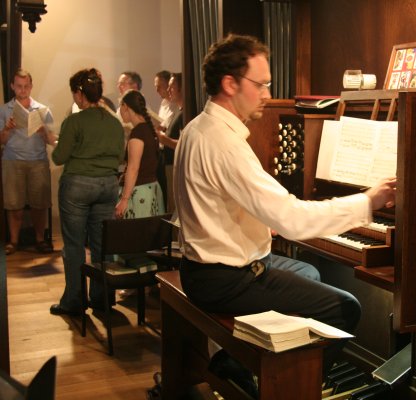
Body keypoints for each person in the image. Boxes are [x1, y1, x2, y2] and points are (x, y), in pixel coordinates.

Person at [173, 33, 396, 392]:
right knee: (345, 308)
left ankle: (276, 363)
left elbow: (213, 203)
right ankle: (287, 384)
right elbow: (292, 220)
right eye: (260, 84)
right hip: (224, 281)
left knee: (308, 270)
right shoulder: (224, 143)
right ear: (230, 84)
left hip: (199, 270)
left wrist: (261, 220)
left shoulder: (196, 128)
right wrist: (368, 201)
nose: (267, 94)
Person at [50, 68, 125, 315]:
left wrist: (61, 144)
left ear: (80, 95)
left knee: (74, 245)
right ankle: (102, 298)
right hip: (108, 185)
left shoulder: (74, 121)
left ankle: (74, 301)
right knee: (102, 245)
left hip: (78, 186)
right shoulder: (114, 121)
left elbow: (59, 157)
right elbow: (119, 155)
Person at [0, 69, 56, 255]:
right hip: (12, 161)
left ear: (31, 86)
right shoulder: (4, 110)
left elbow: (52, 140)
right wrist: (7, 129)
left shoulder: (42, 110)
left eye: (26, 86)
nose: (23, 90)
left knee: (39, 204)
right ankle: (13, 241)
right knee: (13, 204)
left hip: (37, 161)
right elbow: (1, 140)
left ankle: (40, 239)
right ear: (12, 87)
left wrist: (43, 131)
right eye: (19, 86)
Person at [115, 89, 164, 219]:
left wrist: (124, 199)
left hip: (140, 193)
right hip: (151, 189)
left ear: (125, 107)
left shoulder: (138, 133)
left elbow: (133, 167)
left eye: (120, 107)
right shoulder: (149, 130)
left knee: (136, 235)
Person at [156, 72, 183, 212]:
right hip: (168, 163)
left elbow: (184, 144)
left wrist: (163, 139)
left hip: (175, 164)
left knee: (174, 206)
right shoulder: (178, 111)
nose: (168, 91)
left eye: (171, 87)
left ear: (181, 89)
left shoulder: (185, 113)